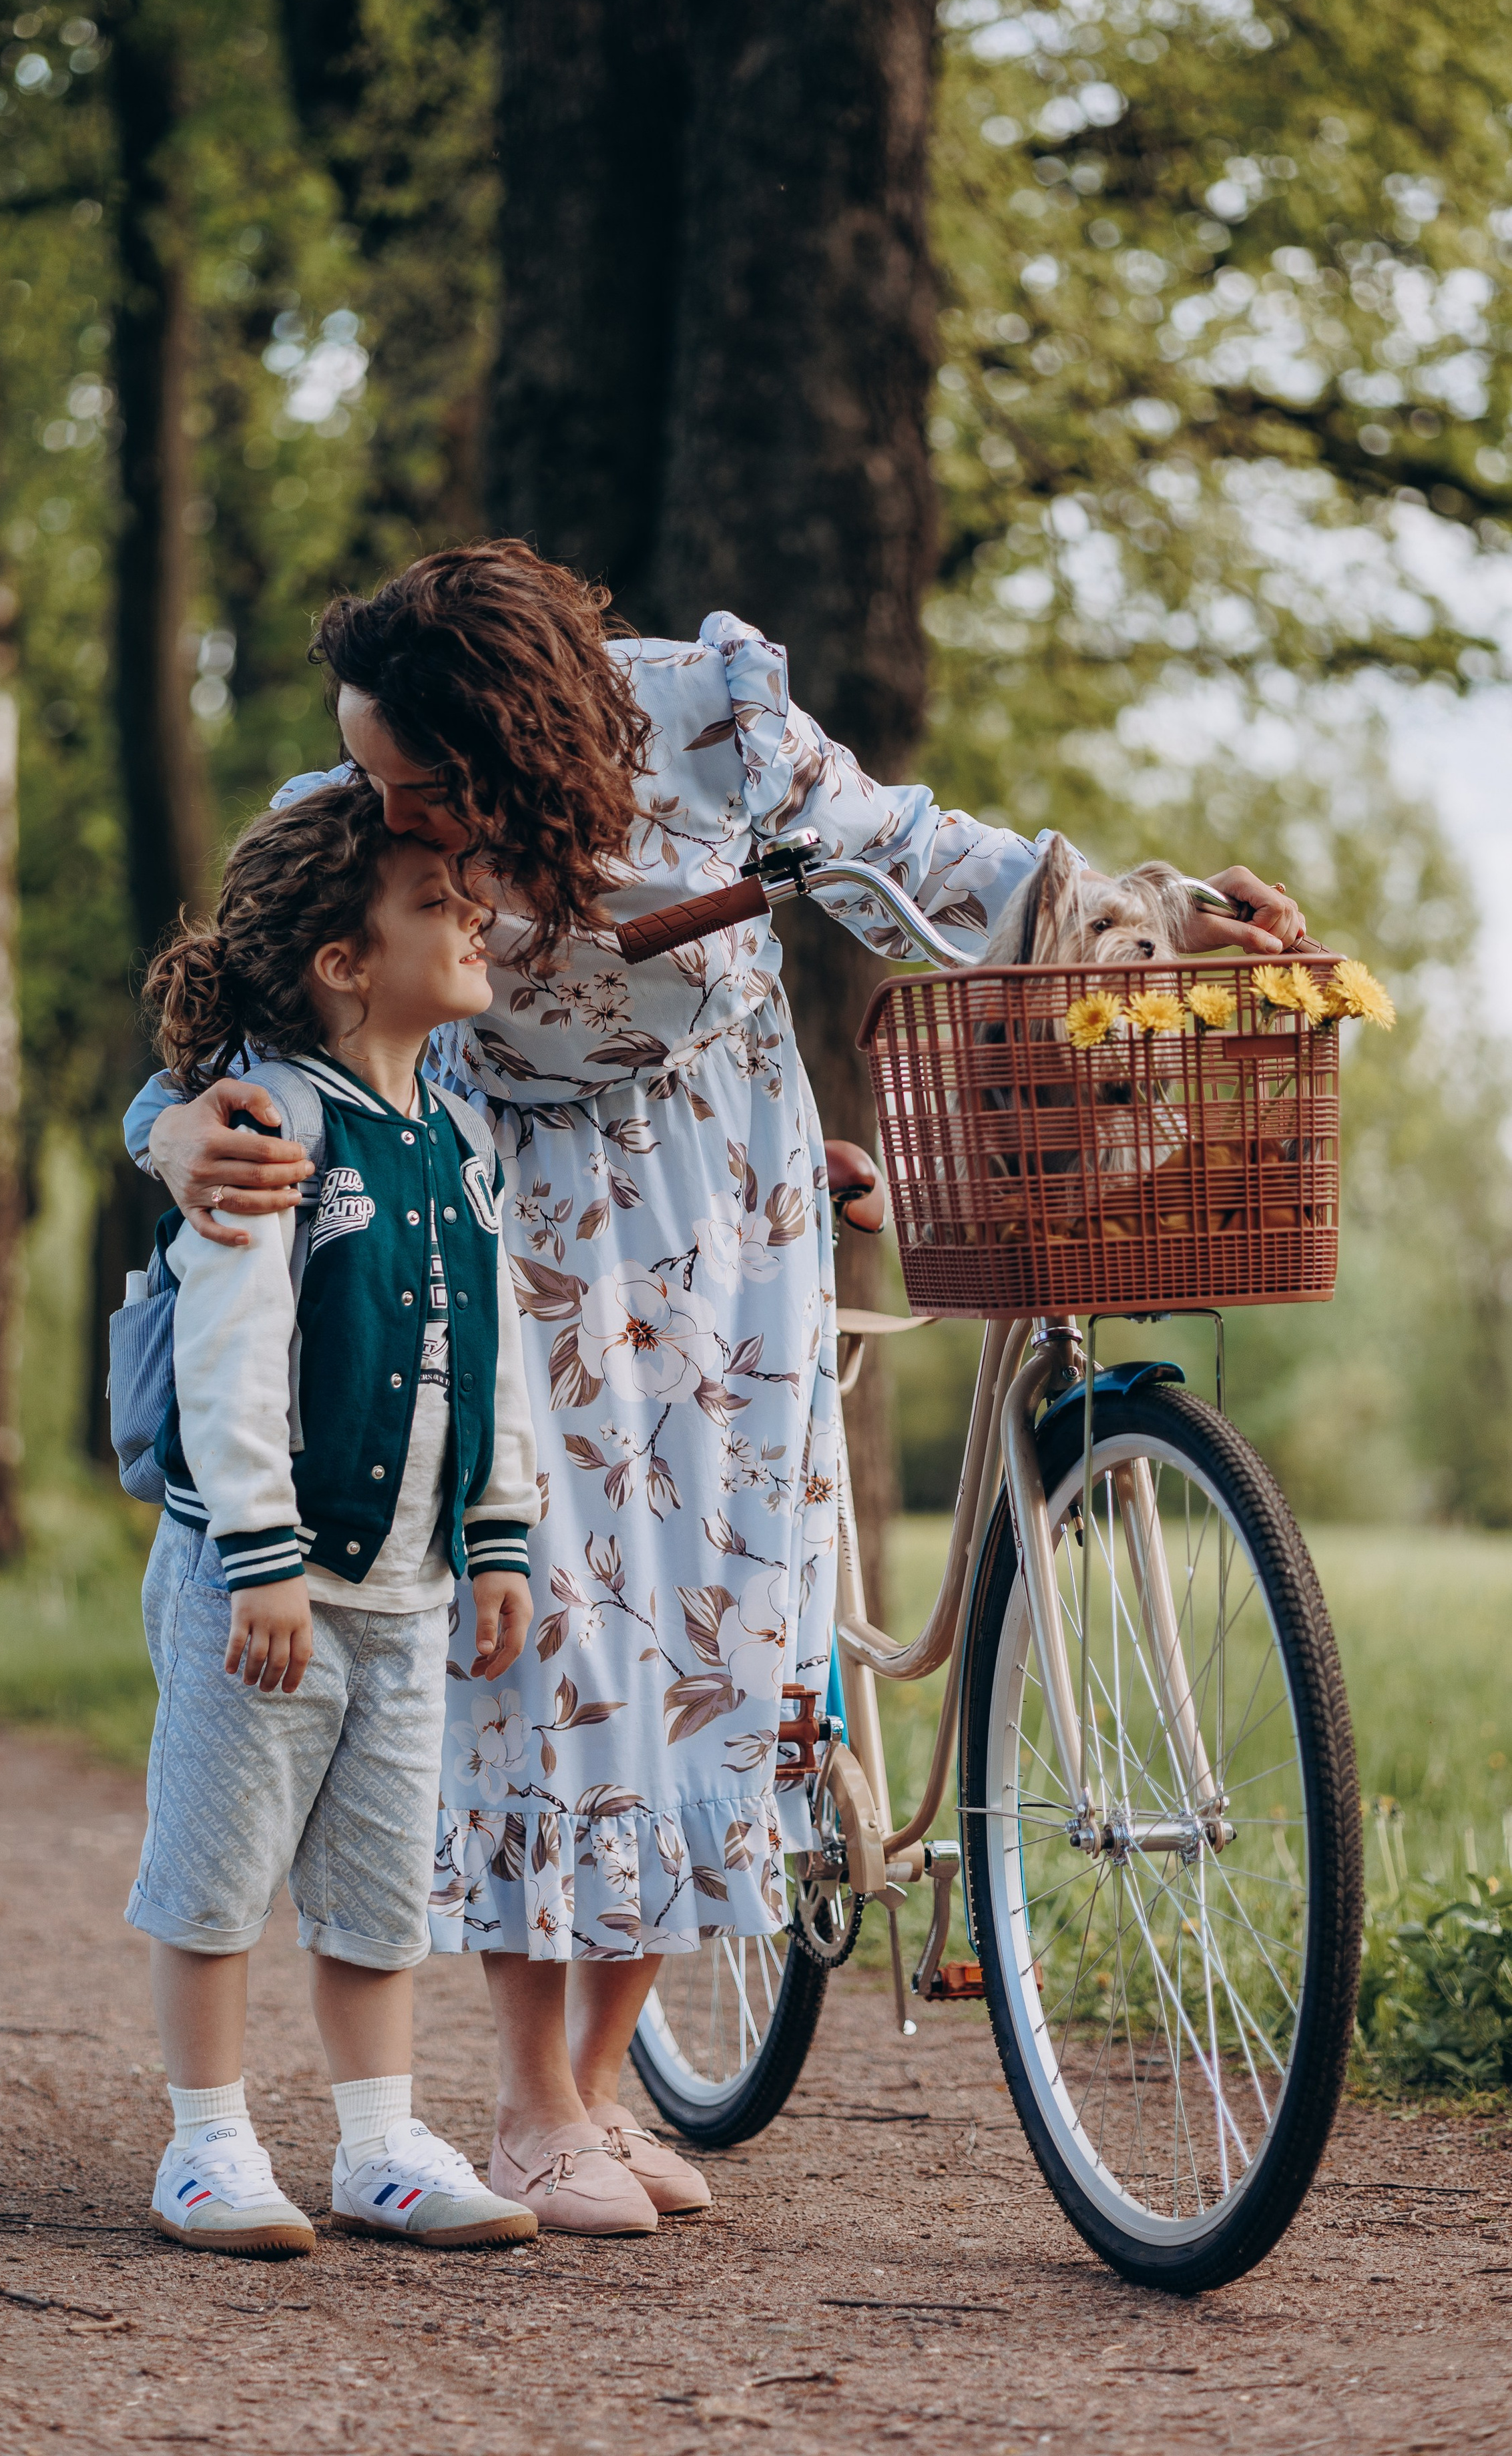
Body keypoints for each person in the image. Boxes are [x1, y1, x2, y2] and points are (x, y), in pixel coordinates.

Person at [128, 541, 1307, 2237]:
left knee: (723, 1640)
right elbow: (228, 1031)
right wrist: (173, 1134)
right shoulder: (359, 828)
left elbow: (928, 861)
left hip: (726, 1200)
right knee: (560, 1643)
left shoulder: (713, 724)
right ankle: (528, 2104)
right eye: (371, 773)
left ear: (509, 745)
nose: (390, 808)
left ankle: (601, 2082)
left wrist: (1167, 917)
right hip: (510, 1209)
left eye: (417, 783)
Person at [129, 781, 543, 2258]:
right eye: (437, 904)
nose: (475, 917)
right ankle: (206, 2141)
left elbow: (496, 1350)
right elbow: (227, 1350)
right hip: (262, 1589)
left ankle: (379, 2144)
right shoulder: (271, 1126)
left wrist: (498, 1530)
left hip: (407, 1591)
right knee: (217, 1869)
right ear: (345, 961)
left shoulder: (462, 1136)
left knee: (378, 1892)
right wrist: (258, 1556)